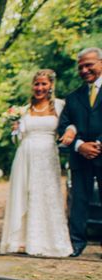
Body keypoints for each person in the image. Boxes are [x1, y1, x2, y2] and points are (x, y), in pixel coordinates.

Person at [0, 69, 73, 257]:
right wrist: (15, 130)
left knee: (46, 195)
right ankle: (19, 241)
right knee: (23, 194)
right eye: (36, 84)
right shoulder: (24, 110)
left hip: (48, 155)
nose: (39, 88)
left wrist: (70, 132)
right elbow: (17, 139)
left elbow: (69, 125)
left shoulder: (60, 106)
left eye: (43, 84)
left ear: (51, 86)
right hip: (25, 154)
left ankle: (49, 242)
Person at [58, 47, 102, 257]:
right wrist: (79, 145)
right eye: (81, 67)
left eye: (89, 65)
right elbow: (63, 125)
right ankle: (76, 244)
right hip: (80, 157)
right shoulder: (73, 97)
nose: (84, 70)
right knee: (79, 202)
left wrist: (99, 144)